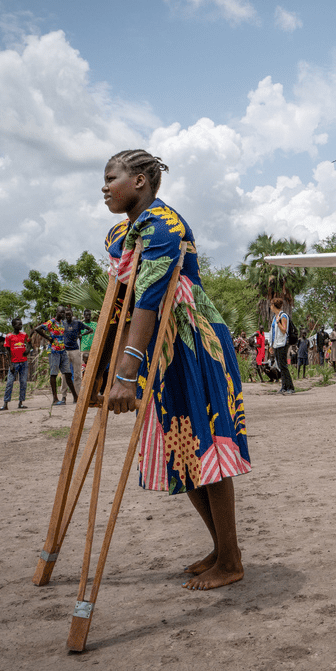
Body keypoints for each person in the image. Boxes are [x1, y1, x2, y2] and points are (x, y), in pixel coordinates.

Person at [102, 148, 250, 590]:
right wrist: (111, 366)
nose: (104, 186)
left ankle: (231, 560)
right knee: (181, 445)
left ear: (141, 182)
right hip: (161, 351)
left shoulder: (164, 227)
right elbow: (122, 304)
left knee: (207, 444)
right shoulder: (124, 232)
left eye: (112, 177)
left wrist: (126, 373)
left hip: (192, 345)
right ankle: (224, 549)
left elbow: (148, 297)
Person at [35, 306, 78, 405]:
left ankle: (75, 396)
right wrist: (48, 338)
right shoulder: (51, 322)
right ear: (57, 312)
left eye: (64, 313)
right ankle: (55, 398)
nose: (63, 315)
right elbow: (38, 329)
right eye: (61, 313)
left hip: (63, 350)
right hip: (54, 351)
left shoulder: (62, 323)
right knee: (53, 373)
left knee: (67, 373)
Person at [0, 318, 30, 411]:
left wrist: (27, 351)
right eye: (19, 324)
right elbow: (7, 351)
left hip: (24, 362)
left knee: (23, 383)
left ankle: (21, 403)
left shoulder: (24, 335)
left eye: (21, 324)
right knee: (9, 383)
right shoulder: (9, 336)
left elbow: (29, 343)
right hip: (14, 363)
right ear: (13, 325)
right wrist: (10, 364)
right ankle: (5, 404)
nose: (21, 326)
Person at [62, 307, 92, 396]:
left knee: (77, 374)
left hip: (75, 350)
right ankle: (63, 395)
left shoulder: (77, 323)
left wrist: (81, 335)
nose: (68, 316)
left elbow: (90, 330)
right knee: (64, 374)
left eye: (69, 314)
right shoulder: (62, 324)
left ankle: (78, 395)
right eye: (66, 315)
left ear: (72, 314)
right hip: (65, 351)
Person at [270, 298, 295, 394]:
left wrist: (278, 322)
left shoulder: (283, 316)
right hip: (276, 344)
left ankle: (290, 387)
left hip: (282, 344)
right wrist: (271, 345)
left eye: (271, 305)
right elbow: (273, 332)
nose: (270, 307)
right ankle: (284, 387)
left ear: (274, 306)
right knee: (280, 366)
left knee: (283, 366)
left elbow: (284, 330)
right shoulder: (275, 317)